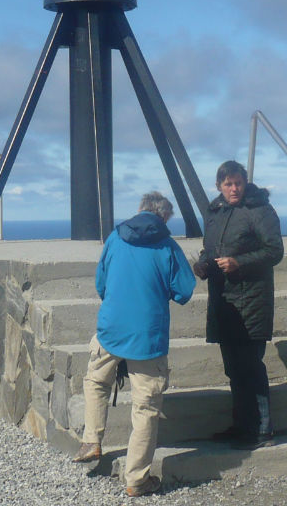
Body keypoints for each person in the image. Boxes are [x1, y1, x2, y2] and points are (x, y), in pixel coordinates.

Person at [73, 191, 195, 497]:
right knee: (145, 408)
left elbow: (100, 283)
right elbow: (183, 292)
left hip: (110, 329)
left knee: (96, 381)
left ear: (140, 210)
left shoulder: (116, 237)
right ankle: (137, 480)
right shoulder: (167, 245)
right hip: (148, 337)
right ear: (164, 217)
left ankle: (92, 439)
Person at [192, 160, 283, 449]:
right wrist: (204, 264)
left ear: (245, 183)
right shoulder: (216, 211)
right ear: (219, 185)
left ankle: (262, 431)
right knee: (233, 368)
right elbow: (211, 248)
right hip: (224, 299)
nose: (234, 189)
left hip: (252, 299)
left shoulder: (260, 210)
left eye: (238, 183)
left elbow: (274, 251)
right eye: (228, 184)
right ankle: (242, 425)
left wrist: (238, 263)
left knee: (250, 367)